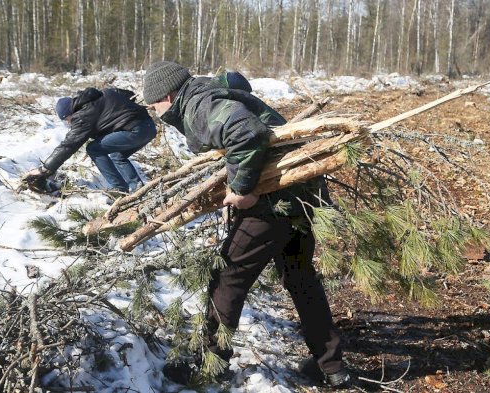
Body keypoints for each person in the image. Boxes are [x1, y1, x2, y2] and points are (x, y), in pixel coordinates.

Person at [142, 61, 351, 387]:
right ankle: (331, 366)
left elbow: (246, 132)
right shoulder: (208, 94)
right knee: (300, 278)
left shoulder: (199, 106)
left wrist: (242, 191)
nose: (153, 110)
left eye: (153, 103)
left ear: (167, 95)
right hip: (303, 195)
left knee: (226, 278)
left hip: (273, 202)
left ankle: (209, 364)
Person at [22, 87, 156, 194]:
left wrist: (45, 169)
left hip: (134, 131)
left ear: (70, 113)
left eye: (67, 120)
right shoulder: (103, 93)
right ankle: (138, 189)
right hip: (149, 127)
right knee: (117, 155)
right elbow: (128, 94)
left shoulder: (82, 116)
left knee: (94, 149)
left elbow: (69, 145)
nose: (69, 123)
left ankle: (119, 190)